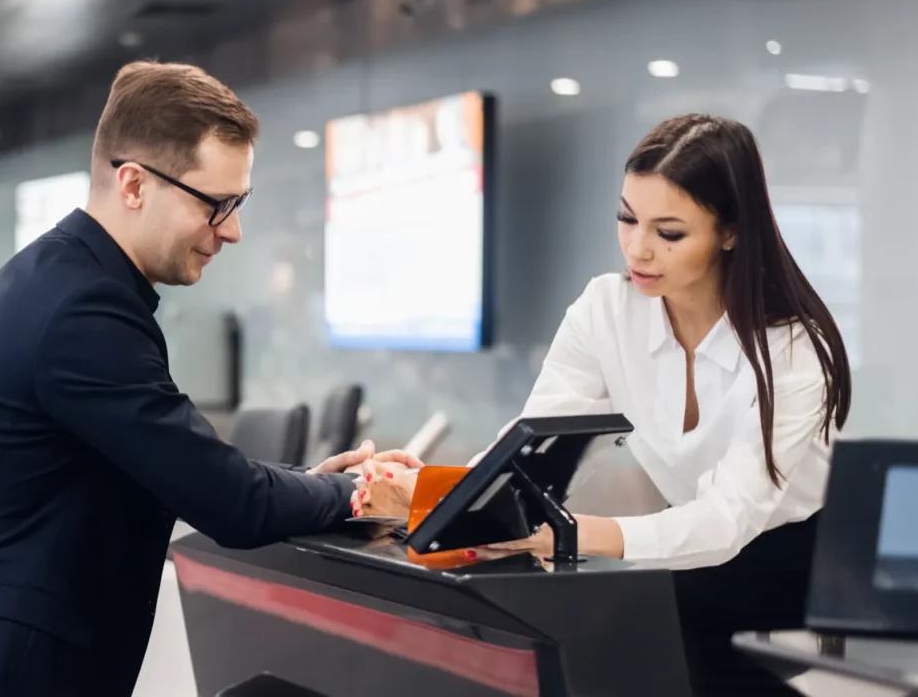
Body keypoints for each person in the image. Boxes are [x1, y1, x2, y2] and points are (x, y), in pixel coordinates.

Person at [0, 60, 420, 697]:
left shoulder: (59, 280)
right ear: (135, 184)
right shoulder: (82, 312)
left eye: (239, 202)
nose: (232, 229)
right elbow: (232, 502)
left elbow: (183, 471)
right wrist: (372, 491)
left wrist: (313, 487)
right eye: (216, 204)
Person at [354, 113, 851, 696]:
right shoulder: (606, 310)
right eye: (627, 218)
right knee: (587, 637)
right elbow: (531, 443)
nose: (638, 248)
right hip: (686, 551)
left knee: (634, 640)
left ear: (731, 231)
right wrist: (427, 491)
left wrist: (568, 535)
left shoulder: (792, 350)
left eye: (669, 233)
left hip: (790, 567)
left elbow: (727, 520)